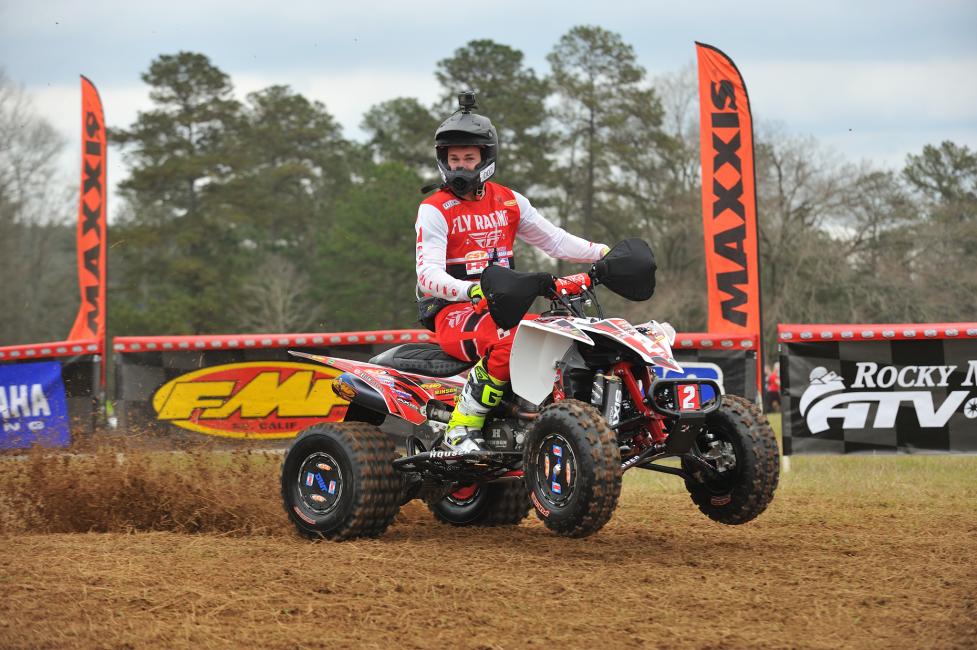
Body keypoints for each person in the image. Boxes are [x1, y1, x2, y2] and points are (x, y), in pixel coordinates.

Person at [415, 92, 608, 452]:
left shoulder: (509, 200)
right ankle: (461, 425)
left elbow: (555, 241)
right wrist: (469, 291)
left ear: (485, 158)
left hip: (504, 308)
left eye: (468, 159)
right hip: (453, 311)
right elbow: (426, 275)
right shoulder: (435, 208)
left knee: (562, 333)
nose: (460, 167)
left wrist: (603, 254)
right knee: (516, 339)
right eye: (453, 159)